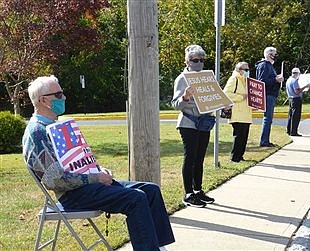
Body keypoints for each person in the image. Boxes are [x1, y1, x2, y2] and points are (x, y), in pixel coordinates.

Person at [22, 75, 175, 251]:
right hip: (72, 195)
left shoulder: (57, 126)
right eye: (59, 94)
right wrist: (95, 178)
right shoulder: (37, 133)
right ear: (43, 100)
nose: (64, 98)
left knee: (151, 190)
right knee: (136, 198)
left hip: (87, 186)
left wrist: (97, 170)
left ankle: (158, 247)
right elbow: (55, 181)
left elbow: (78, 161)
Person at [171, 44, 215, 208]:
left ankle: (198, 190)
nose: (199, 62)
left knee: (200, 158)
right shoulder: (182, 79)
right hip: (188, 123)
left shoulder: (207, 77)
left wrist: (223, 105)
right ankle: (188, 193)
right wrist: (186, 96)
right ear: (186, 61)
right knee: (190, 157)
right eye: (195, 60)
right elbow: (175, 105)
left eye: (202, 60)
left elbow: (214, 98)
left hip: (204, 122)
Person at [223, 62, 252, 163]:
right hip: (237, 113)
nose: (248, 72)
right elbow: (226, 94)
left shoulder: (246, 81)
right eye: (246, 70)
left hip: (246, 113)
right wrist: (241, 97)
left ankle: (240, 156)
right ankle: (234, 157)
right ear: (240, 70)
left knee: (244, 137)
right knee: (239, 136)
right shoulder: (234, 79)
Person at [255, 46, 284, 147]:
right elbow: (261, 81)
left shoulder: (269, 65)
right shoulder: (264, 65)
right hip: (268, 94)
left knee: (269, 118)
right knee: (267, 118)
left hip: (271, 94)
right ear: (269, 55)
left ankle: (265, 140)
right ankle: (264, 141)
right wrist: (275, 80)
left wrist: (277, 79)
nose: (276, 56)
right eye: (274, 54)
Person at [286, 67, 309, 136]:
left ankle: (289, 130)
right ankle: (293, 132)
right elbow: (297, 91)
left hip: (291, 99)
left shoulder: (289, 80)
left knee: (291, 116)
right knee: (296, 116)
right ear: (297, 73)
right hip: (296, 99)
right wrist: (305, 86)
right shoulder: (294, 81)